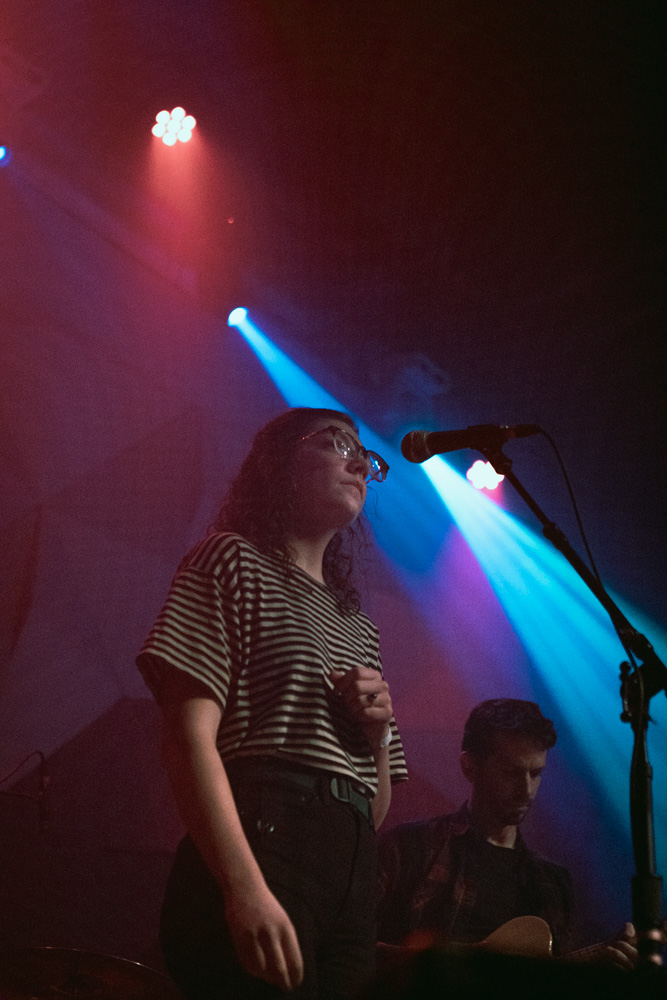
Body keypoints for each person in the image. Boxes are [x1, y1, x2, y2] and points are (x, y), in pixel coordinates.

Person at [137, 407, 408, 1000]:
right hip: (266, 835)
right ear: (281, 463)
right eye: (337, 443)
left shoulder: (358, 626)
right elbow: (188, 738)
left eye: (366, 455)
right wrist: (243, 886)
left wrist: (379, 737)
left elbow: (374, 808)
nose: (360, 462)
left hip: (353, 867)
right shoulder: (230, 559)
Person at [376, 699, 637, 969]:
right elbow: (354, 948)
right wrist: (456, 961)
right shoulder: (410, 848)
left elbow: (554, 983)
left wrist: (595, 968)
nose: (527, 790)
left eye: (536, 774)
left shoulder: (553, 882)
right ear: (469, 767)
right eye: (512, 773)